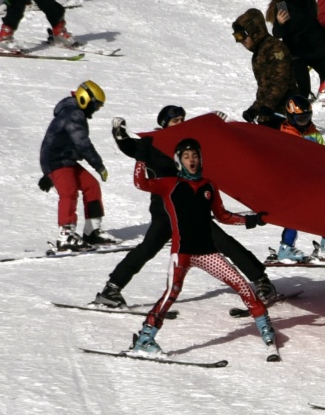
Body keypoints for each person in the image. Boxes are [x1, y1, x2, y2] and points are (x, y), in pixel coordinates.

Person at [96, 106, 277, 308]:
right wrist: (119, 134)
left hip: (192, 209)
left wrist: (215, 126)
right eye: (175, 121)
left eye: (183, 119)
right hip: (164, 212)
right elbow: (130, 146)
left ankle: (262, 282)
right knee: (146, 250)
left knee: (224, 244)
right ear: (164, 124)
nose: (180, 124)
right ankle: (111, 290)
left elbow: (213, 145)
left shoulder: (188, 146)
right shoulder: (153, 143)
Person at [129, 138, 277, 358]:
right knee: (171, 293)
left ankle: (266, 329)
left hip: (208, 252)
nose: (192, 160)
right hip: (183, 253)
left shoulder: (209, 185)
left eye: (195, 156)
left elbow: (223, 216)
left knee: (242, 286)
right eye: (187, 156)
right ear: (179, 160)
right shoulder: (170, 184)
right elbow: (140, 183)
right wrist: (141, 156)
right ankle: (145, 338)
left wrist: (252, 220)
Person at [234, 8, 325, 134]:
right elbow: (266, 88)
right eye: (236, 37)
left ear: (254, 32)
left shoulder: (275, 49)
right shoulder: (259, 53)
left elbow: (279, 83)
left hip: (287, 115)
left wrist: (266, 107)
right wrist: (255, 109)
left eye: (241, 36)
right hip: (271, 113)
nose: (239, 41)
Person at [270, 95, 325, 264]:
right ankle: (285, 248)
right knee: (295, 216)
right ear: (291, 117)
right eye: (301, 119)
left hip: (314, 180)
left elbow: (323, 152)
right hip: (294, 184)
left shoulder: (313, 131)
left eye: (307, 117)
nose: (304, 122)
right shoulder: (285, 134)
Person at [38, 81, 115, 251]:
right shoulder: (73, 114)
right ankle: (66, 235)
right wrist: (98, 165)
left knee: (91, 186)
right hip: (56, 161)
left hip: (66, 160)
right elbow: (82, 143)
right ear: (85, 99)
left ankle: (92, 231)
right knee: (69, 192)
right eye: (96, 105)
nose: (96, 110)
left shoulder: (72, 112)